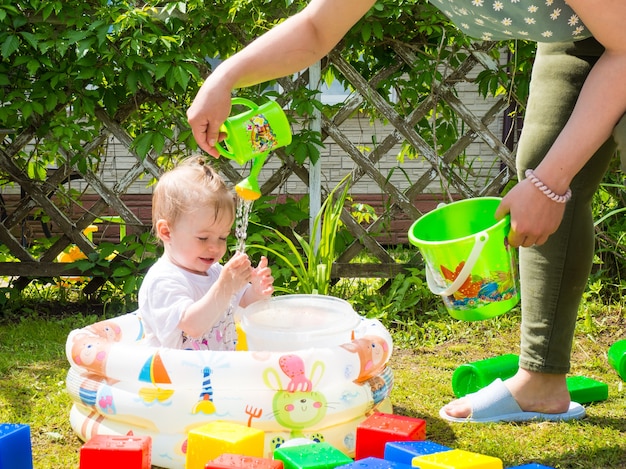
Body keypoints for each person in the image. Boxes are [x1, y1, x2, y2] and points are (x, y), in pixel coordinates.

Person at [187, 0, 626, 421]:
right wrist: (224, 78)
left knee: (550, 178)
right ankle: (541, 380)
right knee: (544, 164)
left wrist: (550, 185)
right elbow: (317, 28)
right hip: (588, 30)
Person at [138, 157, 274, 351]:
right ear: (167, 232)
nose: (215, 247)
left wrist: (257, 291)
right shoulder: (163, 280)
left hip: (213, 373)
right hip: (173, 377)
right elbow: (193, 326)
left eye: (223, 238)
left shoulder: (215, 272)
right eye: (203, 238)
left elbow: (244, 302)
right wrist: (225, 286)